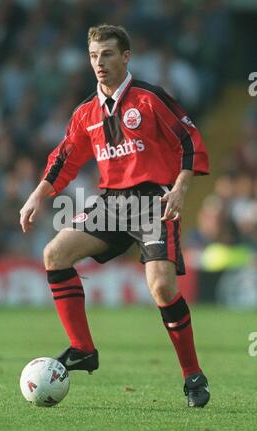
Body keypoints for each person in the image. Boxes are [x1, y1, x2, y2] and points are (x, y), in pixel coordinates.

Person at [20, 25, 210, 408]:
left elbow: (189, 139)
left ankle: (193, 376)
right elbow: (65, 156)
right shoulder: (86, 112)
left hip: (153, 202)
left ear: (126, 57)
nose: (99, 63)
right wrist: (38, 194)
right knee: (54, 254)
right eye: (93, 56)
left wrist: (181, 187)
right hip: (112, 203)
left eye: (107, 54)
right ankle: (82, 349)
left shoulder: (150, 99)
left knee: (162, 289)